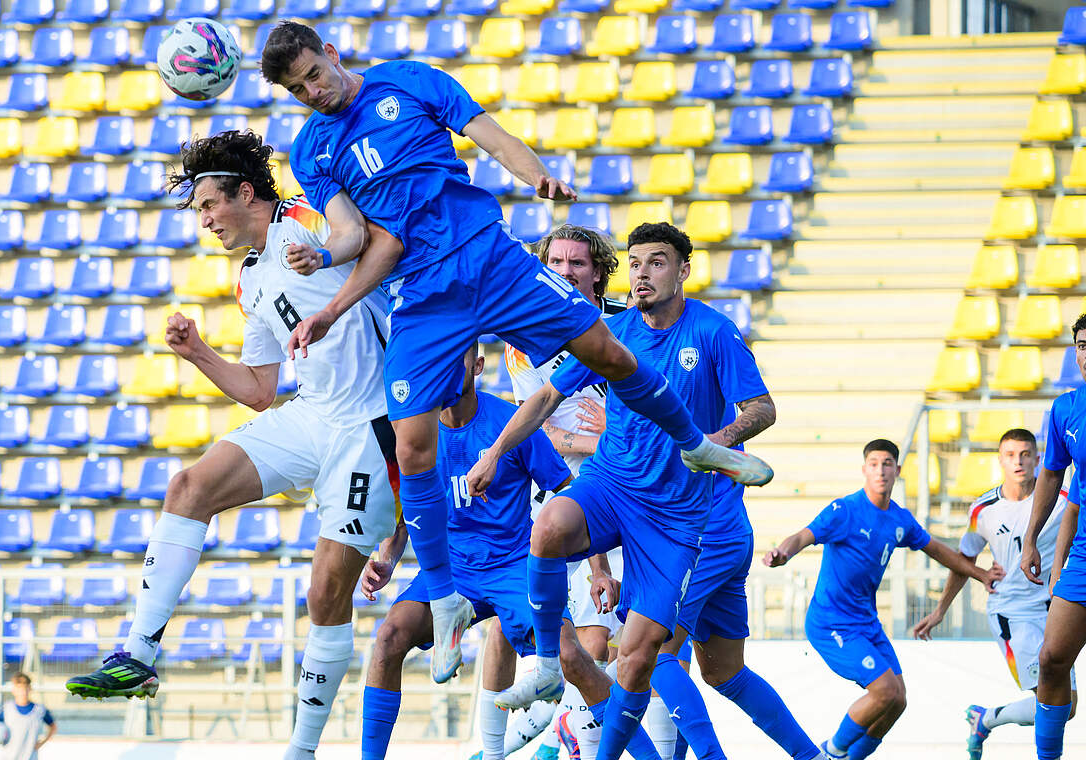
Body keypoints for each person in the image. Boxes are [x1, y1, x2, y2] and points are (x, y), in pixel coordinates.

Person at [258, 20, 775, 684]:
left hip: (493, 260)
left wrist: (537, 175)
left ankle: (696, 443)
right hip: (424, 292)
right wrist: (326, 277)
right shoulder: (313, 149)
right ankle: (442, 596)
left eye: (315, 75)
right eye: (299, 90)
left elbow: (487, 132)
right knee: (412, 445)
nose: (314, 92)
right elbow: (354, 232)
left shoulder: (408, 81)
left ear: (331, 53)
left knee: (609, 353)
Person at [63, 131, 400, 760]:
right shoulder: (249, 278)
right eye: (198, 212)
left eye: (209, 205)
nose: (206, 221)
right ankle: (138, 653)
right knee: (189, 486)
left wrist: (333, 257)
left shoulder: (310, 219)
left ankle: (300, 751)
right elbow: (259, 391)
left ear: (246, 192)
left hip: (373, 425)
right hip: (312, 415)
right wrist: (196, 353)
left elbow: (377, 243)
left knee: (325, 592)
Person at [466, 223, 772, 760]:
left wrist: (710, 444)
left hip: (676, 516)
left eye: (656, 262)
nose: (643, 273)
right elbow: (540, 404)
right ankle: (542, 676)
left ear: (682, 270)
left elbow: (762, 408)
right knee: (547, 531)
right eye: (636, 263)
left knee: (639, 657)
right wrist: (493, 453)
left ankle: (594, 742)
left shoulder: (713, 331)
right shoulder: (604, 335)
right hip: (607, 484)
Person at [358, 344, 573, 760]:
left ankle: (574, 730)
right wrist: (386, 558)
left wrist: (593, 566)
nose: (439, 372)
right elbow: (409, 513)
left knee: (569, 655)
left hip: (513, 565)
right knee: (388, 637)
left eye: (452, 361)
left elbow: (562, 489)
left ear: (476, 366)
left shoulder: (511, 422)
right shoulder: (415, 432)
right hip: (450, 571)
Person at [763, 439, 1005, 760]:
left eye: (887, 464)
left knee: (898, 701)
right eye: (874, 464)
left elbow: (941, 552)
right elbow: (803, 536)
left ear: (897, 470)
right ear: (864, 469)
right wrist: (784, 552)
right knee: (884, 691)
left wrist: (982, 574)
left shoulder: (900, 520)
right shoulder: (844, 510)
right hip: (830, 623)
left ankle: (851, 757)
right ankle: (830, 752)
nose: (880, 470)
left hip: (867, 623)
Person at [499, 225, 626, 760]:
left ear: (598, 270)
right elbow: (539, 428)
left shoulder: (628, 324)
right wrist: (596, 434)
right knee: (555, 639)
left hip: (625, 490)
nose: (566, 271)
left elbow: (657, 416)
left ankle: (564, 729)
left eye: (577, 263)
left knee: (618, 640)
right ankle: (514, 741)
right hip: (558, 495)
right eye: (556, 261)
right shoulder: (525, 339)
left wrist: (606, 436)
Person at [913, 428, 1077, 760]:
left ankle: (984, 718)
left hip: (1056, 609)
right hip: (1011, 612)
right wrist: (941, 610)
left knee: (1067, 706)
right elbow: (964, 561)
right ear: (1000, 460)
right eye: (1011, 455)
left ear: (1037, 459)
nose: (1019, 462)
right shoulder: (983, 509)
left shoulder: (1062, 501)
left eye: (1026, 454)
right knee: (1050, 699)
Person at [1021, 313, 1086, 760]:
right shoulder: (1065, 409)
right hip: (1085, 554)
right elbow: (1052, 480)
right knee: (1051, 659)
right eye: (1082, 344)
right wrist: (1031, 540)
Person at [0, 672, 56, 760]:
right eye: (19, 688)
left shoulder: (39, 710)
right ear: (14, 690)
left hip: (30, 757)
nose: (22, 692)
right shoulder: (7, 708)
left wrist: (42, 742)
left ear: (30, 688)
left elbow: (53, 726)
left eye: (25, 688)